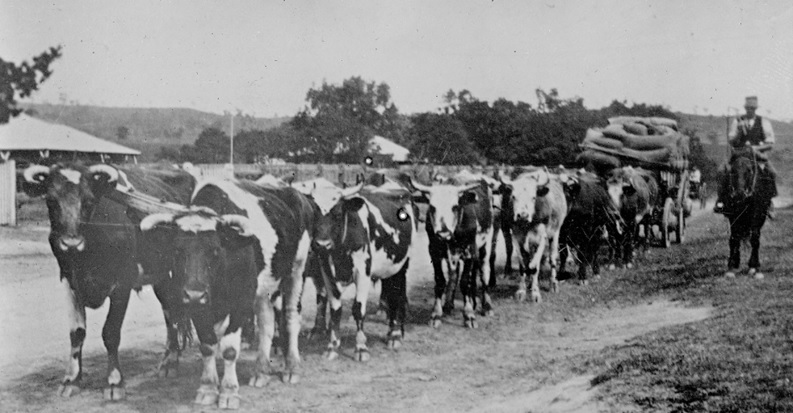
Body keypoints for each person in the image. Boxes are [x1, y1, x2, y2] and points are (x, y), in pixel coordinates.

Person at [713, 96, 777, 218]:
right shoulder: (737, 121)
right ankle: (721, 200)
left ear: (756, 109)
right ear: (745, 108)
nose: (750, 110)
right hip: (738, 154)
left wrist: (756, 148)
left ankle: (769, 202)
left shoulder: (763, 122)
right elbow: (731, 141)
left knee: (772, 173)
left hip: (757, 155)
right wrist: (739, 132)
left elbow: (770, 143)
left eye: (752, 108)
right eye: (748, 108)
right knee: (721, 171)